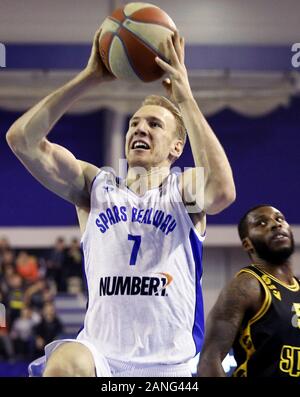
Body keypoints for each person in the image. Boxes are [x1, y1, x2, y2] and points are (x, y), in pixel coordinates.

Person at [6, 28, 235, 377]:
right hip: (104, 359)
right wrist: (88, 78)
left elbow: (222, 192)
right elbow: (22, 139)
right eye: (134, 123)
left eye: (154, 125)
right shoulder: (95, 187)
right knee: (65, 363)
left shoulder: (182, 190)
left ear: (176, 147)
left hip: (171, 366)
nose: (140, 129)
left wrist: (186, 98)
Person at [197, 205, 300, 377]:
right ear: (248, 244)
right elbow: (208, 362)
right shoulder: (246, 286)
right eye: (261, 223)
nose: (276, 225)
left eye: (279, 218)